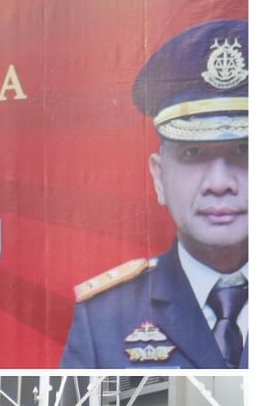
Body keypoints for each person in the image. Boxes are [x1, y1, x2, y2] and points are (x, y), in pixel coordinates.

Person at [63, 20, 248, 368]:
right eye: (194, 153)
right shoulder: (104, 317)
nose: (220, 182)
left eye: (244, 151)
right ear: (159, 177)